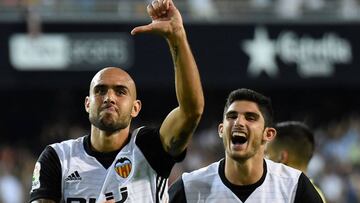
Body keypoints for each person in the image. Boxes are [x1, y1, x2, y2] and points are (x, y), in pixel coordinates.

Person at [29, 0, 204, 202]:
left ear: (135, 108)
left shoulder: (150, 149)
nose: (109, 97)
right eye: (100, 90)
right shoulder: (58, 158)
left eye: (121, 92)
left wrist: (177, 37)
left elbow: (192, 112)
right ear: (88, 104)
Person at [169, 88, 323, 203]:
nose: (238, 122)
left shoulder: (294, 186)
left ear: (268, 134)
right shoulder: (189, 187)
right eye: (232, 116)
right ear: (221, 130)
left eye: (250, 117)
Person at [266, 121, 327, 202]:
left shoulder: (280, 195)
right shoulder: (317, 195)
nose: (265, 160)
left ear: (282, 158)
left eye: (267, 154)